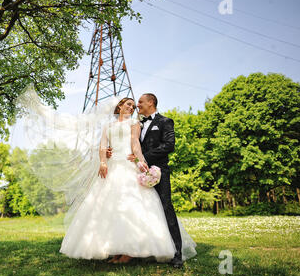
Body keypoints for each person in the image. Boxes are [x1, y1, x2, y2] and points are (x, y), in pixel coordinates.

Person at [57, 97, 197, 265]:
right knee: (110, 207)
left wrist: (141, 161)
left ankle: (129, 252)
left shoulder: (135, 123)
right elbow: (102, 146)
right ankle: (115, 251)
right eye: (129, 104)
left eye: (135, 104)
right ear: (120, 106)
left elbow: (135, 143)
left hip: (129, 165)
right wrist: (103, 161)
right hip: (112, 167)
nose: (133, 107)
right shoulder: (107, 126)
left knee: (129, 205)